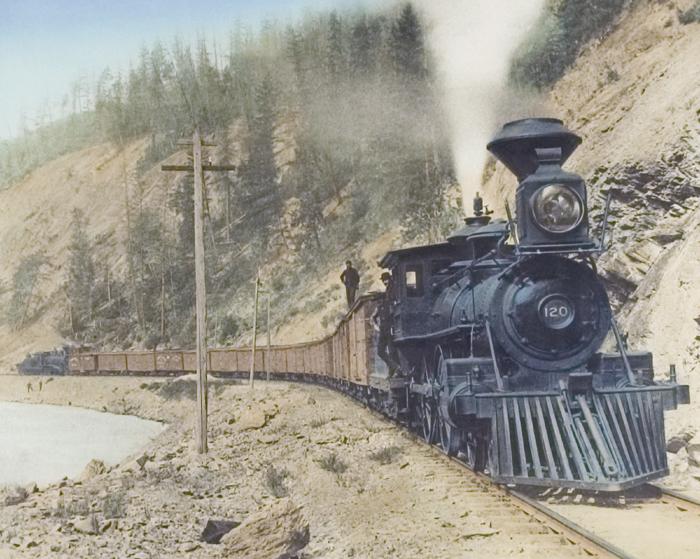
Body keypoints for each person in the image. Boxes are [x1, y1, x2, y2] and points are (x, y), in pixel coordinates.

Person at [372, 271, 400, 376]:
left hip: (390, 327)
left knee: (392, 351)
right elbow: (373, 318)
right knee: (380, 351)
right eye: (383, 281)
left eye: (386, 280)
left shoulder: (394, 288)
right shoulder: (380, 306)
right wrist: (377, 327)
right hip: (383, 329)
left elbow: (394, 306)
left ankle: (393, 370)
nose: (384, 282)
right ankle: (394, 367)